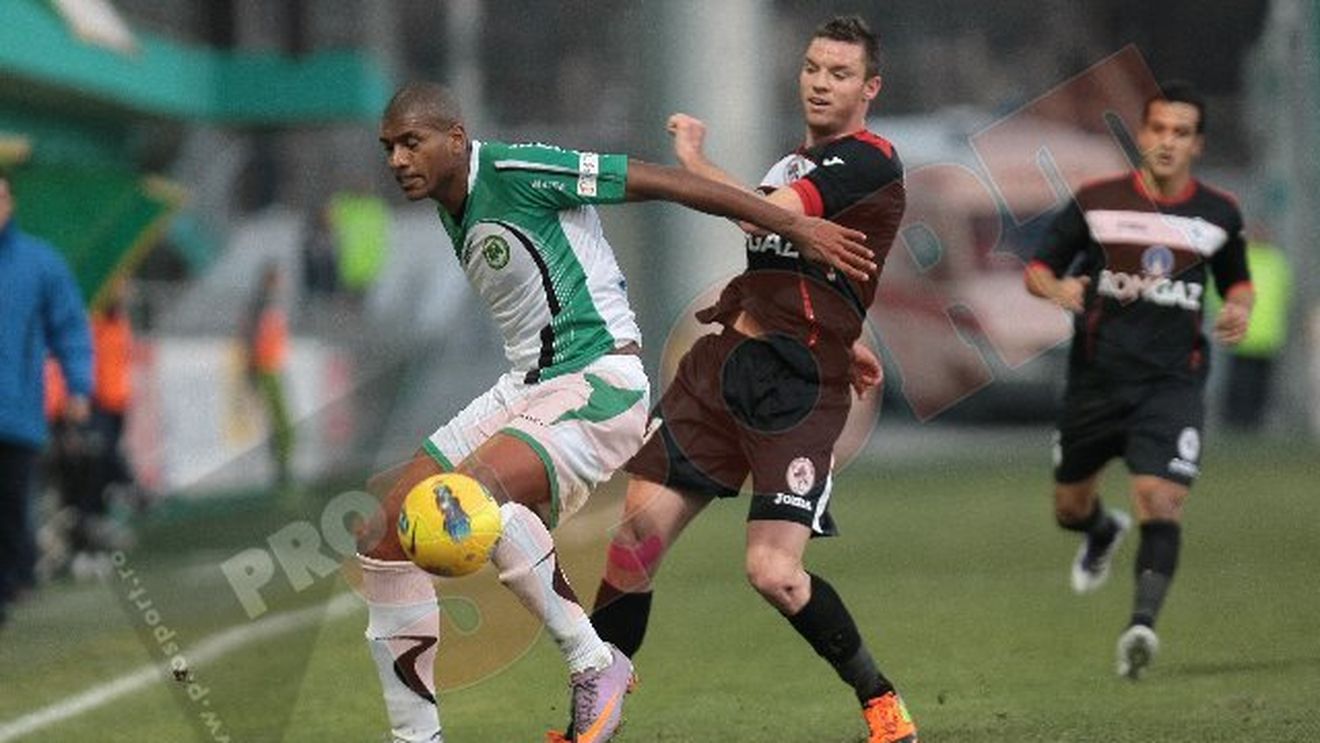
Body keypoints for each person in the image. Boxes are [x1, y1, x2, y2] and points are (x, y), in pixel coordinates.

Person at [361, 81, 875, 743]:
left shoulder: (518, 170)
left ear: (456, 139)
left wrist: (795, 225)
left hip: (596, 381)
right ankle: (415, 738)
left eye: (412, 142)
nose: (398, 159)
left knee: (471, 498)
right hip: (525, 386)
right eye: (389, 148)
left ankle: (595, 662)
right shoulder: (448, 197)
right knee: (381, 538)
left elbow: (661, 181)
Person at [557, 16, 914, 743]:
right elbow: (761, 219)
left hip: (797, 390)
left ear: (870, 88)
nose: (819, 80)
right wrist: (698, 157)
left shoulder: (872, 160)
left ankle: (880, 699)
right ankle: (593, 717)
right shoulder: (791, 166)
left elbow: (770, 215)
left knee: (773, 573)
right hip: (722, 371)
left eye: (839, 73)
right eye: (812, 66)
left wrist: (840, 337)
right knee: (633, 544)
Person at [1024, 81, 1253, 679]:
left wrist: (1240, 308)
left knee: (1160, 499)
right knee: (1069, 507)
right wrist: (1058, 288)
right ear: (1142, 134)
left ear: (1197, 144)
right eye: (1158, 129)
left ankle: (1140, 628)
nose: (1167, 141)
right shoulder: (1097, 202)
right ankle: (1101, 531)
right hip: (1096, 385)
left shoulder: (1219, 213)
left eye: (1181, 132)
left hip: (1171, 386)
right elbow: (1038, 270)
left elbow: (1237, 280)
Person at [0, 171, 93, 625]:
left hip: (16, 413)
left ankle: (14, 579)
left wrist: (78, 386)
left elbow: (69, 327)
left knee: (14, 505)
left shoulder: (39, 263)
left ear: (10, 203)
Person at [241, 262, 294, 490]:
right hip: (265, 367)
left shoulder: (269, 304)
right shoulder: (262, 305)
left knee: (281, 420)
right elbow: (253, 338)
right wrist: (252, 368)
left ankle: (283, 463)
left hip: (272, 366)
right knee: (280, 420)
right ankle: (281, 465)